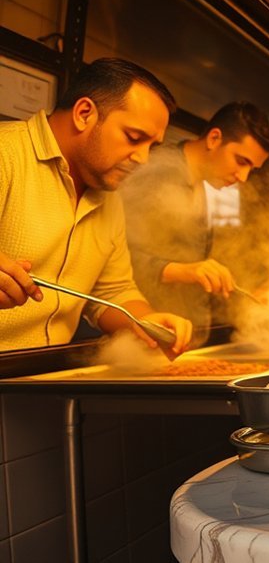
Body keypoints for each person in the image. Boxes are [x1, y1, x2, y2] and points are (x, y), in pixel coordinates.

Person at [0, 57, 192, 355]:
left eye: (151, 147)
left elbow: (113, 292)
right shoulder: (6, 155)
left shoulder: (109, 198)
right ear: (84, 113)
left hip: (45, 379)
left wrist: (145, 320)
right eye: (134, 138)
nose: (142, 159)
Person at [121, 102, 269, 338]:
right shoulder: (160, 173)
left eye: (252, 168)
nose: (244, 177)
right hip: (145, 334)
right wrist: (183, 271)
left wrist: (252, 287)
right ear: (214, 138)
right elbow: (116, 258)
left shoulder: (199, 183)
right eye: (241, 161)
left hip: (178, 337)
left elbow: (189, 255)